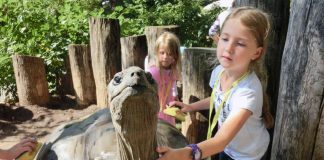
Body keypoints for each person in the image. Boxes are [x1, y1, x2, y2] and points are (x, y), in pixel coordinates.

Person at [156, 6, 274, 160]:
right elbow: (218, 99)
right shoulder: (219, 71)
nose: (229, 48)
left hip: (247, 154)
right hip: (227, 147)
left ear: (256, 53)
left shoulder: (248, 91)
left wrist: (183, 153)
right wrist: (191, 107)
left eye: (240, 43)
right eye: (225, 38)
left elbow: (221, 140)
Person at [147, 31, 181, 126]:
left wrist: (175, 98)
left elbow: (172, 88)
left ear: (175, 55)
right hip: (154, 112)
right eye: (162, 53)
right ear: (157, 52)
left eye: (169, 54)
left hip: (168, 111)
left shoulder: (173, 70)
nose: (165, 57)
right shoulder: (152, 72)